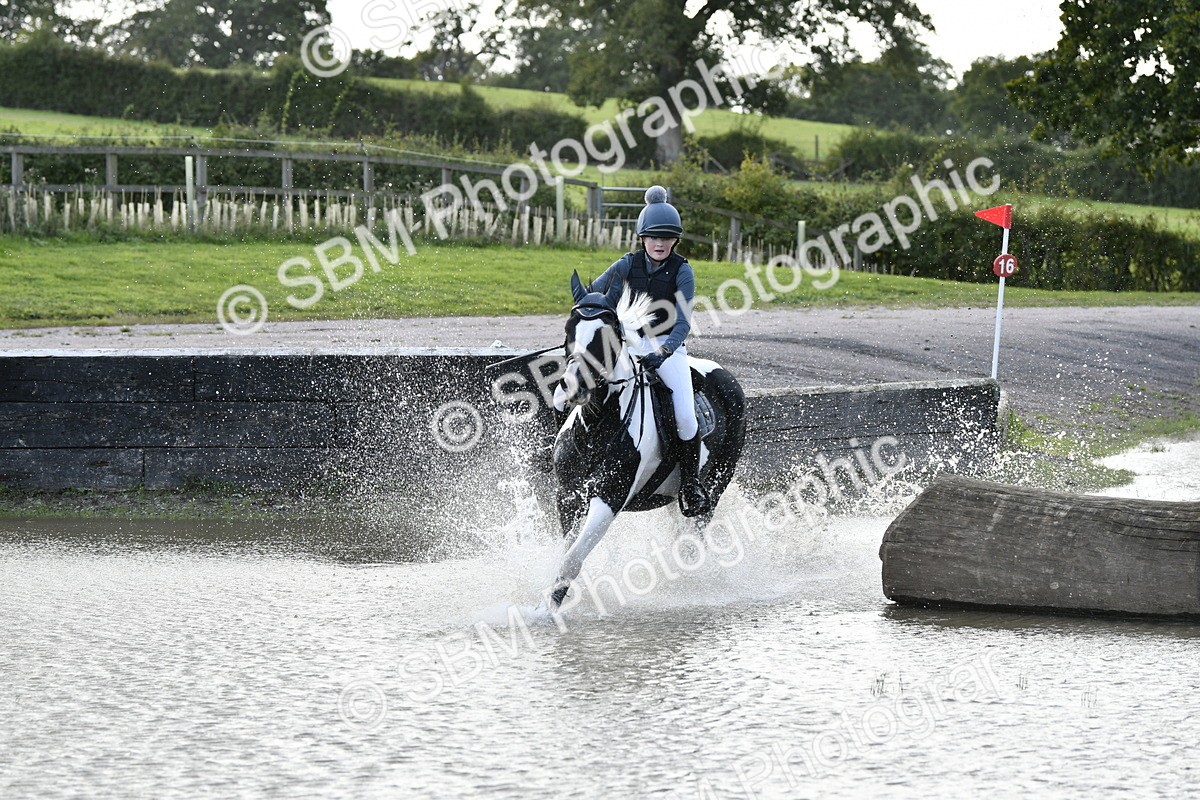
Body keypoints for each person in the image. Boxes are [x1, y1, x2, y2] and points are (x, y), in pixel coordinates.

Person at [564, 185, 711, 517]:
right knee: (582, 383)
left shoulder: (682, 271)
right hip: (628, 344)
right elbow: (594, 295)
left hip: (668, 349)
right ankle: (565, 454)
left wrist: (664, 353)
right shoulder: (627, 264)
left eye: (666, 238)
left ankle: (690, 484)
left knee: (686, 419)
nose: (659, 244)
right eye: (653, 237)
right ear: (642, 238)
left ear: (675, 240)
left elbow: (683, 323)